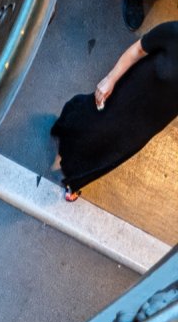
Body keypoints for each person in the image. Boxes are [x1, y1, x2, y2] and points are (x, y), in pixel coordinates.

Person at [52, 23, 178, 198]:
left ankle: (76, 181)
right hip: (127, 94)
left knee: (115, 152)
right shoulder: (174, 33)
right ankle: (66, 133)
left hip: (149, 122)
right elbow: (138, 50)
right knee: (93, 123)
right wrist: (110, 79)